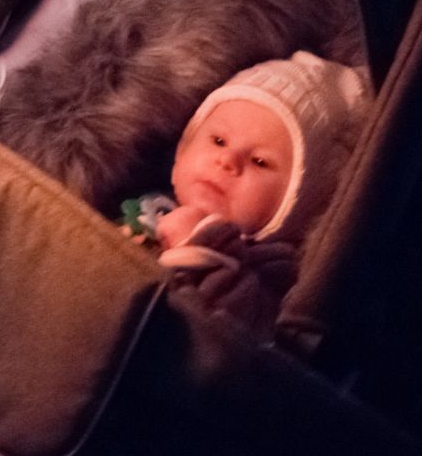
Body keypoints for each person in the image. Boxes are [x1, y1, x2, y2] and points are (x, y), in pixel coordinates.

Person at [119, 51, 372, 337]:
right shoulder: (144, 200)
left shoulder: (272, 272)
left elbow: (232, 337)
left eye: (260, 161)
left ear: (298, 202)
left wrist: (197, 249)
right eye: (219, 140)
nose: (227, 160)